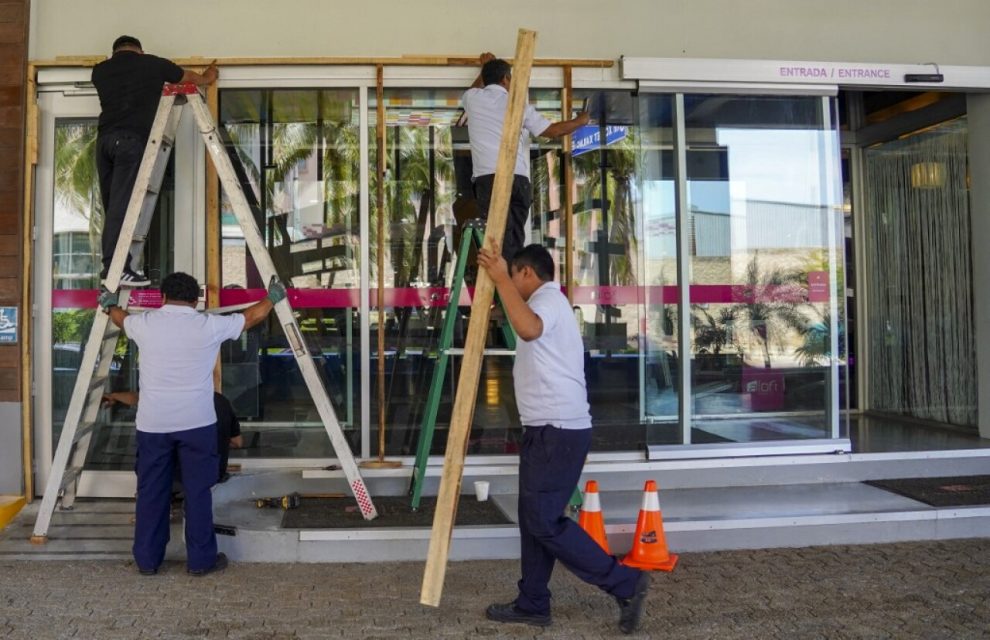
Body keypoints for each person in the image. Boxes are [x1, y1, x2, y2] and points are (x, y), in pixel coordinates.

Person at [477, 243, 650, 634]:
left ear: (525, 273)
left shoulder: (548, 302)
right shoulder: (545, 303)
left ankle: (626, 583)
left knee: (544, 521)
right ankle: (533, 602)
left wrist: (499, 278)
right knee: (533, 521)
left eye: (513, 277)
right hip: (549, 429)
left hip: (558, 430)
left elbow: (527, 327)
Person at [99, 272, 283, 576]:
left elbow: (120, 318)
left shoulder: (145, 324)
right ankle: (200, 561)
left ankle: (147, 560)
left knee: (151, 493)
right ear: (196, 299)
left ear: (162, 297)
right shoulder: (207, 325)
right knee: (198, 493)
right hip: (196, 423)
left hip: (153, 424)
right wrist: (273, 298)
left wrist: (107, 304)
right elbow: (250, 318)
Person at [92, 36, 218, 286]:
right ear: (140, 51)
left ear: (115, 51)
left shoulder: (100, 71)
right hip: (130, 142)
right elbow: (187, 77)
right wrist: (208, 77)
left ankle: (114, 266)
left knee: (113, 207)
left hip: (104, 143)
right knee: (123, 207)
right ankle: (116, 269)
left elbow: (124, 85)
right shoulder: (152, 64)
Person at [462, 53, 590, 261]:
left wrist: (486, 69)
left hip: (488, 180)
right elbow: (552, 131)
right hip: (516, 178)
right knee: (512, 239)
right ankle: (510, 284)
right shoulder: (517, 105)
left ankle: (501, 283)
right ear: (506, 79)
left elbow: (475, 87)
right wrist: (580, 121)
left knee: (495, 238)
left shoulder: (472, 99)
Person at [104, 391, 243, 481]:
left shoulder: (175, 400)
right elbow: (238, 442)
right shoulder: (222, 401)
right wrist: (217, 440)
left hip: (180, 476)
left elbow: (138, 397)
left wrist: (114, 396)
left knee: (151, 456)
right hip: (214, 473)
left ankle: (155, 501)